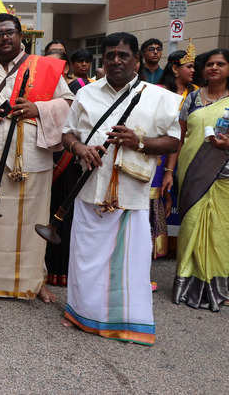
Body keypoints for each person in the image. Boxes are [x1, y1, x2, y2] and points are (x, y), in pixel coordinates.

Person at [62, 32, 181, 345]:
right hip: (90, 190)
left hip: (131, 193)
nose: (116, 60)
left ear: (136, 60)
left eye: (123, 55)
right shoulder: (86, 95)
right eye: (111, 55)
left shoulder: (158, 97)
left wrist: (138, 142)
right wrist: (79, 149)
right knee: (85, 257)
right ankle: (82, 314)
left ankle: (126, 321)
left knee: (130, 262)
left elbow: (173, 139)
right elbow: (67, 134)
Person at [0, 13, 73, 302]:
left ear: (21, 35)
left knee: (31, 223)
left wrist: (39, 109)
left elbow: (70, 103)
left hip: (33, 160)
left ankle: (34, 282)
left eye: (10, 32)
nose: (5, 38)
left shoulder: (43, 68)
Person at [172, 48, 229, 312]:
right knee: (192, 223)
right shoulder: (192, 98)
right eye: (209, 64)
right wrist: (169, 172)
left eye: (221, 64)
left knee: (220, 230)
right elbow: (178, 139)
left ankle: (218, 286)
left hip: (224, 173)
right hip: (192, 171)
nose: (214, 68)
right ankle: (186, 282)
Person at [45, 48, 95, 287]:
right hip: (45, 156)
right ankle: (45, 264)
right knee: (45, 211)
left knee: (66, 215)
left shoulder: (83, 90)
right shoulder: (40, 89)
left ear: (65, 66)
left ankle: (63, 267)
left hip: (70, 161)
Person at [159, 42, 199, 256]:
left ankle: (180, 244)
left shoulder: (198, 94)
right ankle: (162, 244)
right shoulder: (161, 92)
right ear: (175, 68)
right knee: (164, 196)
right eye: (189, 66)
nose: (193, 71)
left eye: (194, 67)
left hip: (188, 153)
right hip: (162, 150)